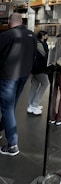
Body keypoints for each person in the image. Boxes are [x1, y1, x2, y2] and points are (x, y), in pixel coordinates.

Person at [0, 13, 36, 156]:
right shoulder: (31, 35)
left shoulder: (6, 35)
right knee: (10, 105)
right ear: (21, 21)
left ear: (10, 21)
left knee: (7, 107)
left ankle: (13, 145)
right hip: (24, 75)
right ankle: (2, 128)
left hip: (8, 76)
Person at [27, 30, 49, 115]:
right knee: (45, 83)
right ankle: (35, 104)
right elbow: (44, 55)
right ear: (43, 36)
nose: (47, 37)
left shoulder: (35, 43)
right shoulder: (40, 44)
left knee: (34, 85)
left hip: (33, 68)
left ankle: (31, 105)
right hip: (39, 68)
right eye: (46, 35)